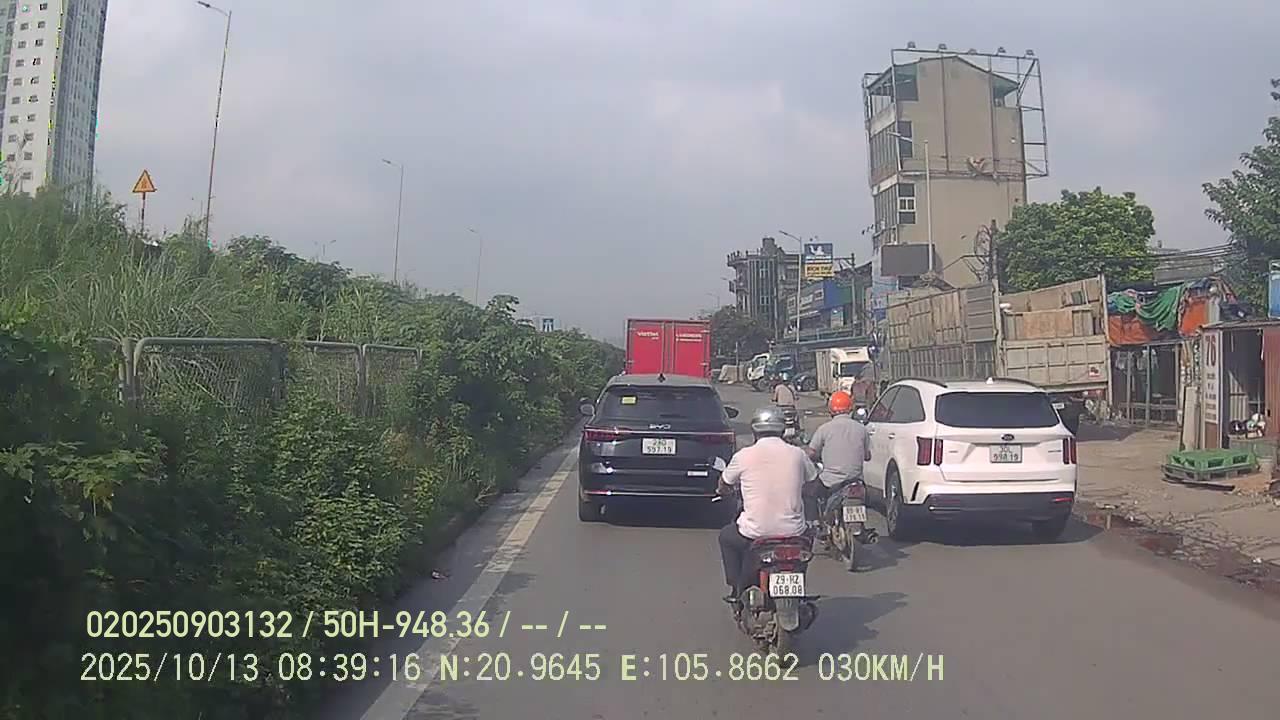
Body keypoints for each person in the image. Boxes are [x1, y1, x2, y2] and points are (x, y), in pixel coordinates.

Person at [717, 406, 818, 603]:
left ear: (754, 430)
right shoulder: (797, 454)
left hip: (755, 532)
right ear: (782, 429)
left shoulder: (743, 456)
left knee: (727, 537)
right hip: (794, 532)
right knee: (808, 539)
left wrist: (722, 491)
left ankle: (737, 589)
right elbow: (813, 484)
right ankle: (798, 581)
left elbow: (725, 482)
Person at [803, 390, 870, 525]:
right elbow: (867, 456)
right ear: (850, 408)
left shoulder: (825, 429)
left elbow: (811, 452)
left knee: (808, 492)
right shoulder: (861, 429)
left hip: (830, 481)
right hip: (856, 481)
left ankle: (815, 524)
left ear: (831, 409)